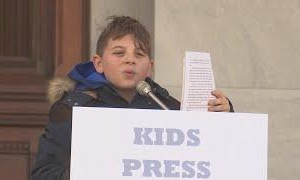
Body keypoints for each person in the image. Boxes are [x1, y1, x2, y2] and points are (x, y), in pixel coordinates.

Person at [31, 16, 234, 180]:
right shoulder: (73, 109)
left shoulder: (168, 108)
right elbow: (44, 173)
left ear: (150, 67)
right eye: (119, 53)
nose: (130, 60)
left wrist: (224, 115)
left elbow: (209, 157)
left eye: (139, 54)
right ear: (98, 63)